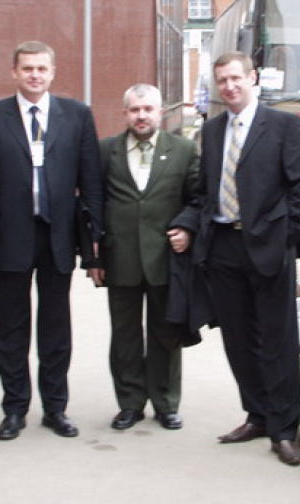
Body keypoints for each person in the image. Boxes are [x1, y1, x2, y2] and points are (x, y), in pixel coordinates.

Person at [170, 51, 300, 466]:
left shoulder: (283, 125)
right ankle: (257, 415)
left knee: (277, 341)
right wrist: (190, 226)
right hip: (223, 248)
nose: (230, 86)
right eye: (223, 80)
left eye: (236, 78)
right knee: (238, 339)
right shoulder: (213, 130)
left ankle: (284, 429)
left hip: (269, 247)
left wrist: (286, 239)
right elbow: (204, 191)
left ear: (253, 78)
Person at [0, 41, 103, 441]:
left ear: (52, 72)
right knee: (10, 327)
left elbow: (91, 182)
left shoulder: (77, 115)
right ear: (14, 72)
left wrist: (94, 240)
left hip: (58, 236)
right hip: (10, 235)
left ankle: (55, 408)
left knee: (55, 327)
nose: (34, 75)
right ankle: (14, 409)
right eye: (27, 68)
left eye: (41, 69)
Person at [94, 84, 199, 431]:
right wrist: (94, 257)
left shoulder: (183, 150)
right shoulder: (105, 151)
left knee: (166, 333)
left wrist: (187, 229)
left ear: (161, 113)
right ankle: (130, 403)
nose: (142, 116)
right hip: (119, 258)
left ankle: (166, 403)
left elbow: (198, 198)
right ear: (125, 113)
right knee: (124, 335)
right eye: (135, 109)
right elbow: (93, 204)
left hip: (166, 258)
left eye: (148, 109)